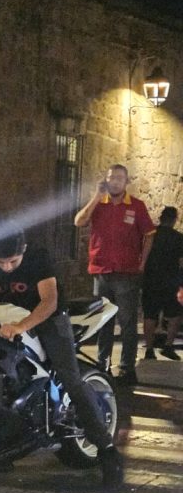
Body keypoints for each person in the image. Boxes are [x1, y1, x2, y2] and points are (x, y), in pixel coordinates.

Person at [0, 227, 124, 491]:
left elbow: (49, 301)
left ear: (23, 251)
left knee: (71, 379)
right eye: (0, 262)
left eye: (13, 262)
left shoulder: (38, 257)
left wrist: (21, 326)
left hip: (47, 319)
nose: (6, 267)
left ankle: (107, 451)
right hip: (4, 315)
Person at [74, 164, 155, 384]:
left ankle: (127, 369)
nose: (115, 182)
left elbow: (149, 234)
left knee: (127, 322)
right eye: (112, 178)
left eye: (120, 178)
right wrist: (95, 197)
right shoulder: (99, 203)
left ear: (126, 182)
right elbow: (79, 221)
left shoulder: (136, 206)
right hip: (101, 272)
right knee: (103, 321)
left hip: (127, 273)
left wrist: (142, 262)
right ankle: (103, 365)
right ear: (106, 180)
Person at [142, 206, 183, 360]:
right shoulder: (179, 238)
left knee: (149, 315)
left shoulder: (150, 235)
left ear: (161, 218)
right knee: (175, 315)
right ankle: (168, 346)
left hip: (151, 280)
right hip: (171, 281)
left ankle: (149, 349)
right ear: (174, 220)